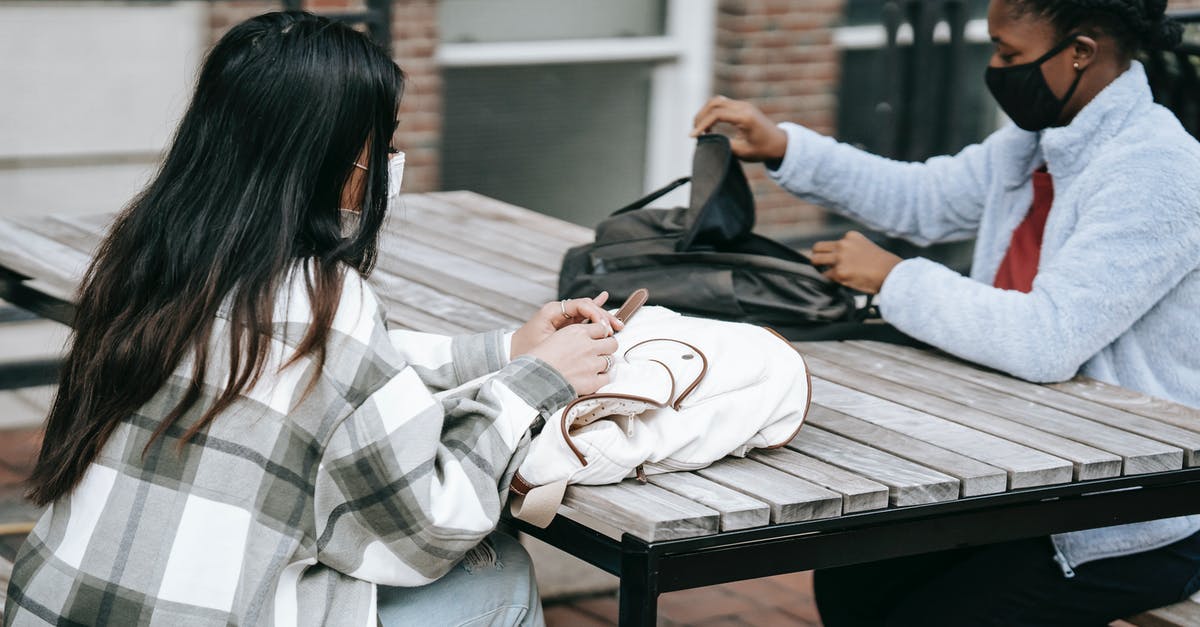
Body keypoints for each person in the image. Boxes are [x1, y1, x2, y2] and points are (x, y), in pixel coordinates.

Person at [4, 11, 623, 627]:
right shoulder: (322, 300)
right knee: (500, 575)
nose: (387, 159)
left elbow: (343, 372)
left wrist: (508, 349)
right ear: (328, 153)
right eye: (381, 141)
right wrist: (535, 383)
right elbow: (426, 531)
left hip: (51, 605)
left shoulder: (152, 254)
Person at [692, 0, 1200, 624]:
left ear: (1081, 52)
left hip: (1127, 509)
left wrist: (896, 279)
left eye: (1011, 54)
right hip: (1022, 465)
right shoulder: (1037, 142)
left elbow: (1048, 339)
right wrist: (785, 148)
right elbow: (923, 199)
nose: (994, 66)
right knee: (853, 581)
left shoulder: (1158, 171)